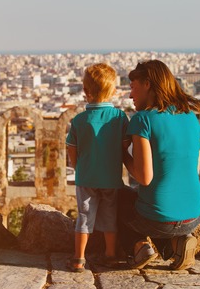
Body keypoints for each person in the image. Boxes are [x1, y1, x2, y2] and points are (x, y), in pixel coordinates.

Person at [119, 60, 200, 270]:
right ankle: (178, 243)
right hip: (193, 216)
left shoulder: (143, 119)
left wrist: (122, 152)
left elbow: (143, 177)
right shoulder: (190, 116)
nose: (131, 95)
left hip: (158, 219)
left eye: (133, 87)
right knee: (149, 205)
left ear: (147, 84)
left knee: (116, 197)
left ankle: (139, 247)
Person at [66, 63, 129, 272]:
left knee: (84, 216)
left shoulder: (79, 120)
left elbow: (71, 148)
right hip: (111, 177)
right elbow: (125, 145)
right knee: (110, 215)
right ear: (113, 91)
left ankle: (78, 258)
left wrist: (79, 168)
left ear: (85, 91)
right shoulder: (120, 118)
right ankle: (110, 254)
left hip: (86, 177)